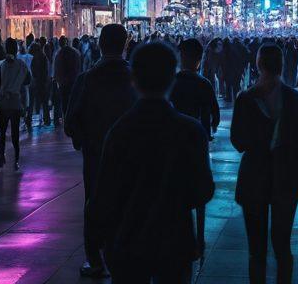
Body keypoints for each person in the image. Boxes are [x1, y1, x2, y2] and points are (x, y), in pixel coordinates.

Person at [91, 41, 214, 284]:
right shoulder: (191, 130)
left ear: (133, 78)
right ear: (172, 77)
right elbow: (203, 190)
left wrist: (102, 241)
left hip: (128, 237)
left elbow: (104, 193)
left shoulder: (120, 131)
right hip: (175, 238)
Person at [231, 43, 298, 284]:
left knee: (256, 250)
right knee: (282, 246)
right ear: (282, 65)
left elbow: (237, 141)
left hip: (253, 177)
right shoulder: (293, 97)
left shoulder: (245, 99)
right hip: (286, 176)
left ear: (258, 65)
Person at [65, 24, 137, 280]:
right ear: (126, 45)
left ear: (99, 44)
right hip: (131, 158)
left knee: (94, 205)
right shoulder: (136, 78)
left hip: (96, 155)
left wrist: (83, 140)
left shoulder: (88, 79)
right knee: (129, 203)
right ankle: (126, 253)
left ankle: (95, 259)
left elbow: (70, 120)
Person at [170, 37, 221, 258]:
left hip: (172, 144)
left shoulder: (171, 82)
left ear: (181, 57)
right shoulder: (204, 84)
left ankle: (176, 237)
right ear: (199, 59)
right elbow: (215, 116)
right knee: (199, 192)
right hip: (197, 143)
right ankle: (198, 239)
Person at [0, 37, 31, 169]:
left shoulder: (0, 65)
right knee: (15, 133)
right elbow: (27, 82)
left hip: (3, 102)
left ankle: (2, 156)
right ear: (16, 49)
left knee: (2, 132)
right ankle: (16, 161)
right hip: (16, 102)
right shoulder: (22, 65)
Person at [53, 35, 82, 125]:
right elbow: (78, 67)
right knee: (73, 100)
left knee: (64, 101)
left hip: (63, 82)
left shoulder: (58, 54)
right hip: (73, 80)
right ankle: (73, 118)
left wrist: (57, 79)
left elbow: (57, 68)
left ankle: (66, 119)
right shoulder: (75, 52)